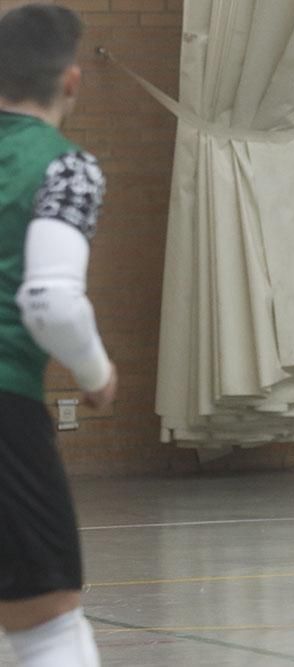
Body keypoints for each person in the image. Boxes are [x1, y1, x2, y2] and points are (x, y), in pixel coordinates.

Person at [0, 5, 118, 666]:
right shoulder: (65, 167)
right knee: (48, 627)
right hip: (6, 404)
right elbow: (50, 301)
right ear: (71, 82)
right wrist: (97, 373)